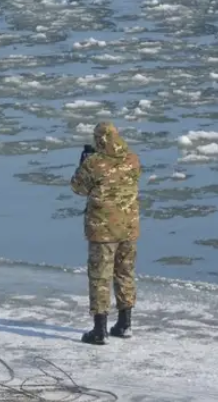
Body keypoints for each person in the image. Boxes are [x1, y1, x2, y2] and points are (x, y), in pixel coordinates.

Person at [70, 121, 142, 345]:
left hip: (103, 230)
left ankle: (99, 330)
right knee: (125, 273)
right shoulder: (132, 159)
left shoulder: (94, 163)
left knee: (100, 277)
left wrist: (83, 162)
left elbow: (78, 187)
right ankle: (125, 323)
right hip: (129, 227)